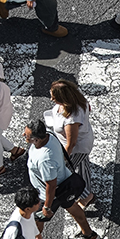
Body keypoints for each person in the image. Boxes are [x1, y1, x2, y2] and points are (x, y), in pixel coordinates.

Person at [23, 118, 97, 239]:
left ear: (37, 140)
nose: (23, 135)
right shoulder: (49, 134)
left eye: (27, 136)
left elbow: (51, 186)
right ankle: (89, 235)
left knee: (38, 219)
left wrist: (47, 206)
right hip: (66, 184)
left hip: (49, 193)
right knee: (71, 205)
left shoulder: (45, 160)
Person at [45, 80, 95, 208]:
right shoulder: (79, 100)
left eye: (54, 97)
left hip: (77, 148)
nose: (51, 99)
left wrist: (63, 160)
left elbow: (71, 143)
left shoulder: (71, 119)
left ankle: (85, 195)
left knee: (68, 172)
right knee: (83, 167)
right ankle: (87, 194)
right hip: (83, 141)